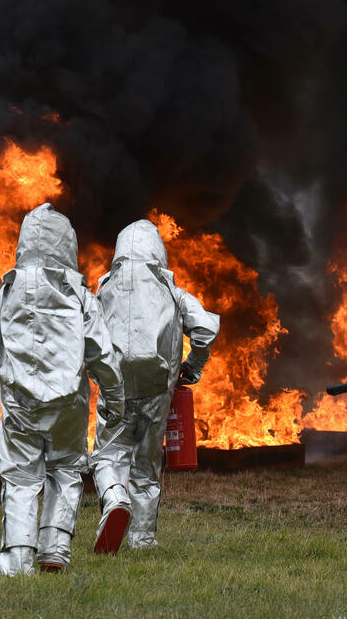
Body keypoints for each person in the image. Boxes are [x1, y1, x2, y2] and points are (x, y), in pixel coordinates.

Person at [0, 203, 124, 577]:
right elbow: (102, 354)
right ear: (66, 246)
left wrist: (0, 378)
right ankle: (54, 548)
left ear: (24, 244)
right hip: (69, 402)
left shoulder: (4, 293)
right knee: (65, 469)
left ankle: (16, 561)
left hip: (20, 402)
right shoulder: (80, 296)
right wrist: (115, 398)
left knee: (21, 478)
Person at [90, 219, 220, 552]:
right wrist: (193, 366)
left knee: (108, 455)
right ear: (157, 252)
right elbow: (205, 330)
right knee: (146, 465)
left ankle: (115, 498)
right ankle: (142, 538)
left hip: (116, 389)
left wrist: (94, 372)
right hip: (157, 390)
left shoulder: (103, 289)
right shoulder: (171, 291)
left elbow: (85, 334)